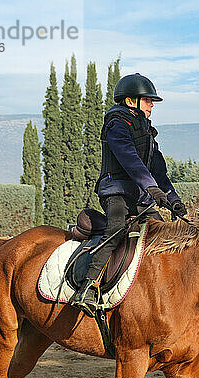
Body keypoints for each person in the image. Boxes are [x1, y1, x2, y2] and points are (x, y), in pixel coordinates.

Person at [70, 73, 187, 316]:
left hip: (141, 197)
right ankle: (88, 287)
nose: (152, 105)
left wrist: (173, 199)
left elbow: (159, 171)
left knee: (161, 232)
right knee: (116, 230)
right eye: (148, 100)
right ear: (131, 101)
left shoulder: (147, 132)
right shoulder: (116, 124)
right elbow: (130, 159)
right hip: (116, 191)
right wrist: (150, 187)